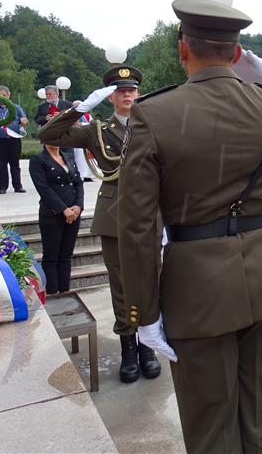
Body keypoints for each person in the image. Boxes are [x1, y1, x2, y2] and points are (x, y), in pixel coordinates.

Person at [117, 0, 262, 453]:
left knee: (211, 429)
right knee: (261, 422)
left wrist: (142, 313)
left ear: (182, 48)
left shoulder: (154, 112)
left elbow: (135, 226)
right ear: (236, 53)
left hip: (198, 288)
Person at [38, 65, 162, 384]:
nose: (127, 95)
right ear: (110, 98)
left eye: (132, 89)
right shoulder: (96, 131)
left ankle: (148, 344)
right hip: (115, 215)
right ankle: (129, 350)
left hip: (149, 213)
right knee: (121, 286)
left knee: (150, 280)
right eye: (120, 91)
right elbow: (48, 135)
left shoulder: (154, 125)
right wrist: (79, 108)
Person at [28, 144, 83, 294]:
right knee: (51, 255)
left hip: (73, 213)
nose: (56, 140)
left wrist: (78, 206)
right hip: (53, 213)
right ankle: (52, 292)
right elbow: (43, 188)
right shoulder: (38, 159)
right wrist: (63, 209)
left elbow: (78, 182)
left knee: (66, 254)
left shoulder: (68, 156)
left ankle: (65, 291)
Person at [0, 85, 28, 194]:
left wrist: (23, 121)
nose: (1, 98)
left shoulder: (16, 107)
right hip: (0, 139)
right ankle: (2, 187)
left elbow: (25, 121)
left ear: (8, 95)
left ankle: (18, 186)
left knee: (15, 163)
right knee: (1, 164)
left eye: (4, 95)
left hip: (14, 138)